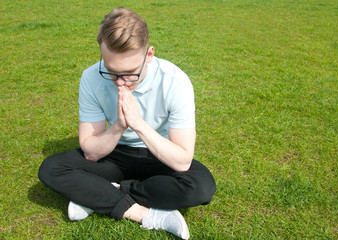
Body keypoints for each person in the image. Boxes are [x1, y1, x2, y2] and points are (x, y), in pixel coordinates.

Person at [38, 6, 216, 240]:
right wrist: (119, 126)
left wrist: (139, 124)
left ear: (149, 55)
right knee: (52, 168)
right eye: (111, 72)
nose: (120, 82)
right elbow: (91, 151)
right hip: (115, 154)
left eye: (130, 73)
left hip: (158, 152)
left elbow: (182, 161)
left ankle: (103, 194)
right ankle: (146, 215)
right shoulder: (91, 77)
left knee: (200, 187)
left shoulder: (176, 81)